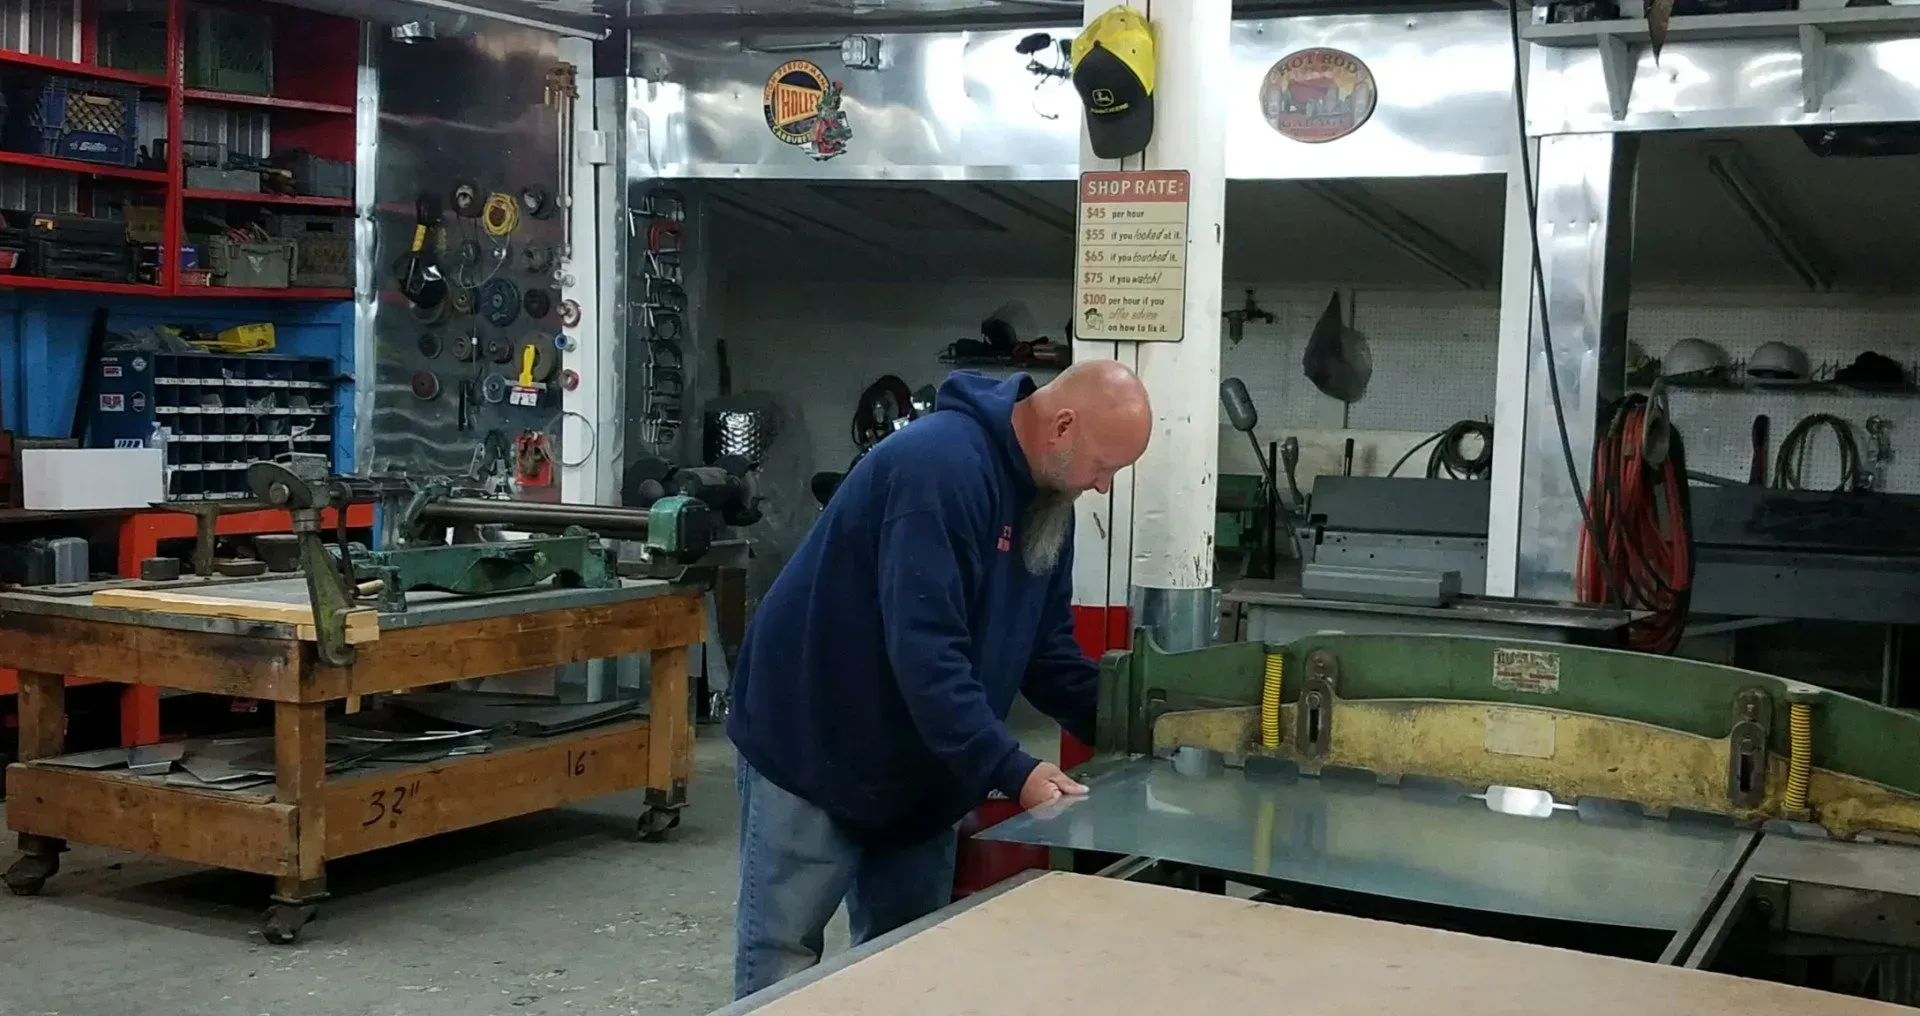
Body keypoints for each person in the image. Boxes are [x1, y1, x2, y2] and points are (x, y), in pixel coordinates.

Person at [726, 359, 1153, 999]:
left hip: (922, 761)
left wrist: (1138, 726)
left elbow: (1047, 652)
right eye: (1104, 466)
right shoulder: (941, 467)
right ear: (1063, 426)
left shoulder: (1047, 505)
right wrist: (1010, 768)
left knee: (909, 963)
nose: (1103, 486)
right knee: (783, 968)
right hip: (816, 738)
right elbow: (925, 651)